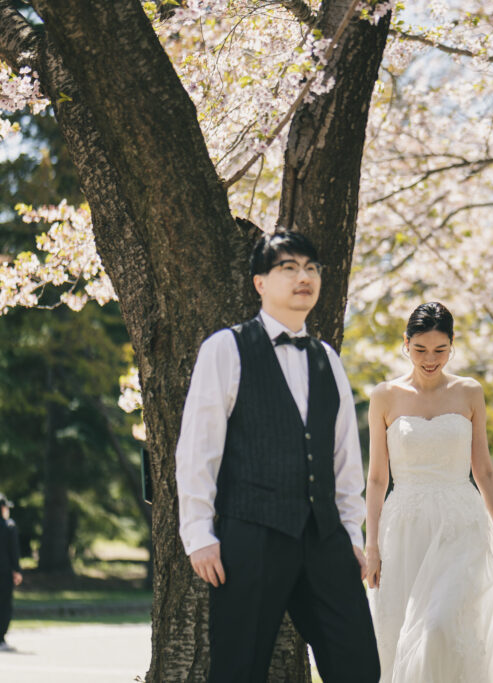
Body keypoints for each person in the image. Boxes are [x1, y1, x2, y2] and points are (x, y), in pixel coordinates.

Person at [175, 229, 379, 683]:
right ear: (260, 282)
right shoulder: (225, 348)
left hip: (325, 539)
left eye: (311, 268)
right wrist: (198, 533)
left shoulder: (328, 357)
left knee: (360, 667)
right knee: (237, 670)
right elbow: (198, 447)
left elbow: (344, 455)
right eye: (288, 268)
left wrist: (350, 532)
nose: (303, 277)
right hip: (251, 534)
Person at [365, 302, 493, 682]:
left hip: (461, 524)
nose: (430, 360)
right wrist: (372, 545)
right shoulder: (385, 396)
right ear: (406, 343)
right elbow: (377, 479)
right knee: (400, 631)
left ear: (452, 345)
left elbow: (483, 469)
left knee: (440, 625)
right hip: (404, 527)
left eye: (440, 350)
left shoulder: (469, 392)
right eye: (420, 349)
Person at [0, 492, 22, 651]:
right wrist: (16, 570)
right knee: (4, 608)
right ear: (2, 508)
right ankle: (0, 639)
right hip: (3, 574)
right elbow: (14, 551)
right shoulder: (9, 527)